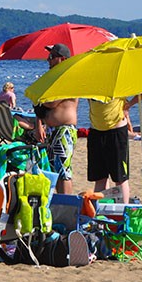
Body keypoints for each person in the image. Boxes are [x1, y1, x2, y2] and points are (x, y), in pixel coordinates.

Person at [88, 91, 142, 204]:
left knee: (120, 178)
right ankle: (101, 212)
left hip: (116, 129)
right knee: (100, 178)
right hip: (96, 130)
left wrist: (129, 104)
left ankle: (123, 212)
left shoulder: (117, 78)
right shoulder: (90, 78)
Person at [33, 44, 79, 195]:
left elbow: (52, 102)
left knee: (64, 172)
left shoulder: (68, 77)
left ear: (63, 59)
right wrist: (38, 121)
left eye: (52, 57)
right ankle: (60, 204)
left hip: (64, 130)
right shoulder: (55, 79)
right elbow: (43, 104)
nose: (48, 60)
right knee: (54, 170)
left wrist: (39, 99)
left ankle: (66, 206)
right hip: (53, 130)